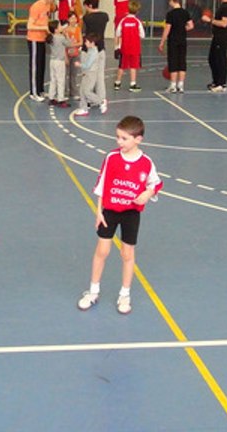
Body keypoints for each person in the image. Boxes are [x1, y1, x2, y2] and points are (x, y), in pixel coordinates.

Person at [76, 115, 163, 316]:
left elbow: (156, 183)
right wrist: (99, 211)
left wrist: (147, 194)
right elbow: (102, 183)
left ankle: (125, 294)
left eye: (124, 138)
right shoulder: (111, 158)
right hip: (110, 211)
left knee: (127, 254)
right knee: (102, 251)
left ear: (138, 139)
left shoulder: (146, 163)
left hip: (131, 213)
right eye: (118, 137)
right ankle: (93, 290)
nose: (119, 142)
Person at [159, 0, 193, 94]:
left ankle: (173, 85)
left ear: (171, 1)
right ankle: (181, 85)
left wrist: (162, 41)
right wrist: (182, 29)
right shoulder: (185, 12)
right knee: (182, 61)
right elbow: (191, 26)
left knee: (173, 61)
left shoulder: (170, 14)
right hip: (182, 40)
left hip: (173, 40)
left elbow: (167, 29)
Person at [27, 0, 57, 101]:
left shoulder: (49, 5)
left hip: (43, 39)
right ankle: (33, 93)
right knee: (35, 66)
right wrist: (44, 28)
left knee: (41, 65)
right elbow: (30, 25)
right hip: (34, 39)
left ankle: (40, 90)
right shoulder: (36, 7)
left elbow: (54, 9)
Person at [203, 0, 227, 92]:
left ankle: (222, 83)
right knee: (212, 58)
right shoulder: (222, 5)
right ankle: (216, 81)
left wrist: (210, 20)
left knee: (220, 59)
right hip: (217, 36)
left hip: (222, 36)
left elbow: (224, 23)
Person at [73, 33, 108, 117]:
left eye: (87, 42)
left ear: (92, 43)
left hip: (91, 74)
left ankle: (101, 101)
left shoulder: (94, 52)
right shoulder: (90, 50)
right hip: (87, 73)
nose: (85, 43)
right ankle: (83, 108)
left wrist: (79, 65)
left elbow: (87, 65)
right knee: (82, 90)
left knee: (87, 91)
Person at [114, 0, 143, 92]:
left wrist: (117, 46)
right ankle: (132, 84)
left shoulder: (123, 21)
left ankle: (117, 83)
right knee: (133, 66)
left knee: (122, 66)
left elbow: (118, 33)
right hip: (135, 48)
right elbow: (142, 35)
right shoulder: (137, 22)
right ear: (137, 11)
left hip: (124, 48)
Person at [47, 19, 72, 107]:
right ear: (56, 29)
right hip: (59, 61)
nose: (61, 27)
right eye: (60, 26)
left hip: (52, 61)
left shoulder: (51, 37)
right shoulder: (60, 37)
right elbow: (69, 44)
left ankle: (51, 97)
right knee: (61, 80)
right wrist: (67, 35)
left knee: (53, 79)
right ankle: (61, 99)